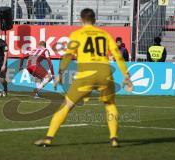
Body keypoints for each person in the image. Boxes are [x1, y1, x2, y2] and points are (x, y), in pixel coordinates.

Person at [34, 8, 133, 147]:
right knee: (110, 105)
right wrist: (126, 75)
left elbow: (68, 55)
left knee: (66, 105)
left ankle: (49, 138)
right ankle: (114, 138)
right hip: (105, 72)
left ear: (81, 19)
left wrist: (60, 73)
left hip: (86, 74)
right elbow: (117, 55)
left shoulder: (77, 34)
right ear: (95, 20)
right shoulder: (104, 34)